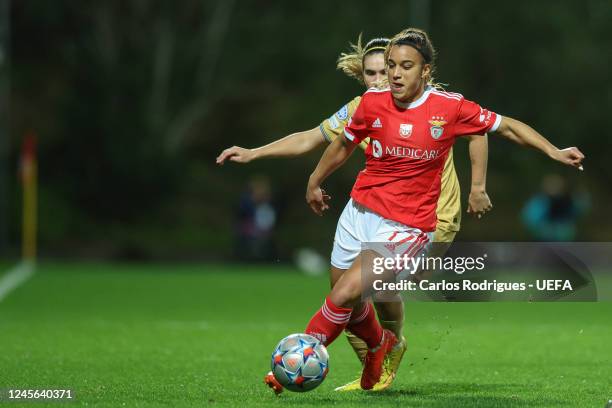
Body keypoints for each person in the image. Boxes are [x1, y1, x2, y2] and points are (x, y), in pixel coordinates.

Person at [302, 27, 585, 390]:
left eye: (406, 65)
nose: (396, 73)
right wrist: (315, 179)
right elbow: (343, 143)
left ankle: (300, 352)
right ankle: (379, 345)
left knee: (344, 296)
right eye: (391, 65)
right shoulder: (372, 102)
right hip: (359, 211)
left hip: (406, 226)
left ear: (425, 71)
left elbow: (506, 127)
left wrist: (552, 151)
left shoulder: (448, 107)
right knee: (350, 300)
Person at [216, 35, 491, 392]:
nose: (382, 79)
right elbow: (310, 138)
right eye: (372, 73)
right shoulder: (363, 106)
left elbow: (478, 128)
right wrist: (254, 152)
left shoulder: (426, 100)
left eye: (387, 69)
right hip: (378, 211)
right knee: (346, 291)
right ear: (362, 77)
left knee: (366, 289)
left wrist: (478, 186)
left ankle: (387, 349)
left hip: (432, 217)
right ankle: (376, 361)